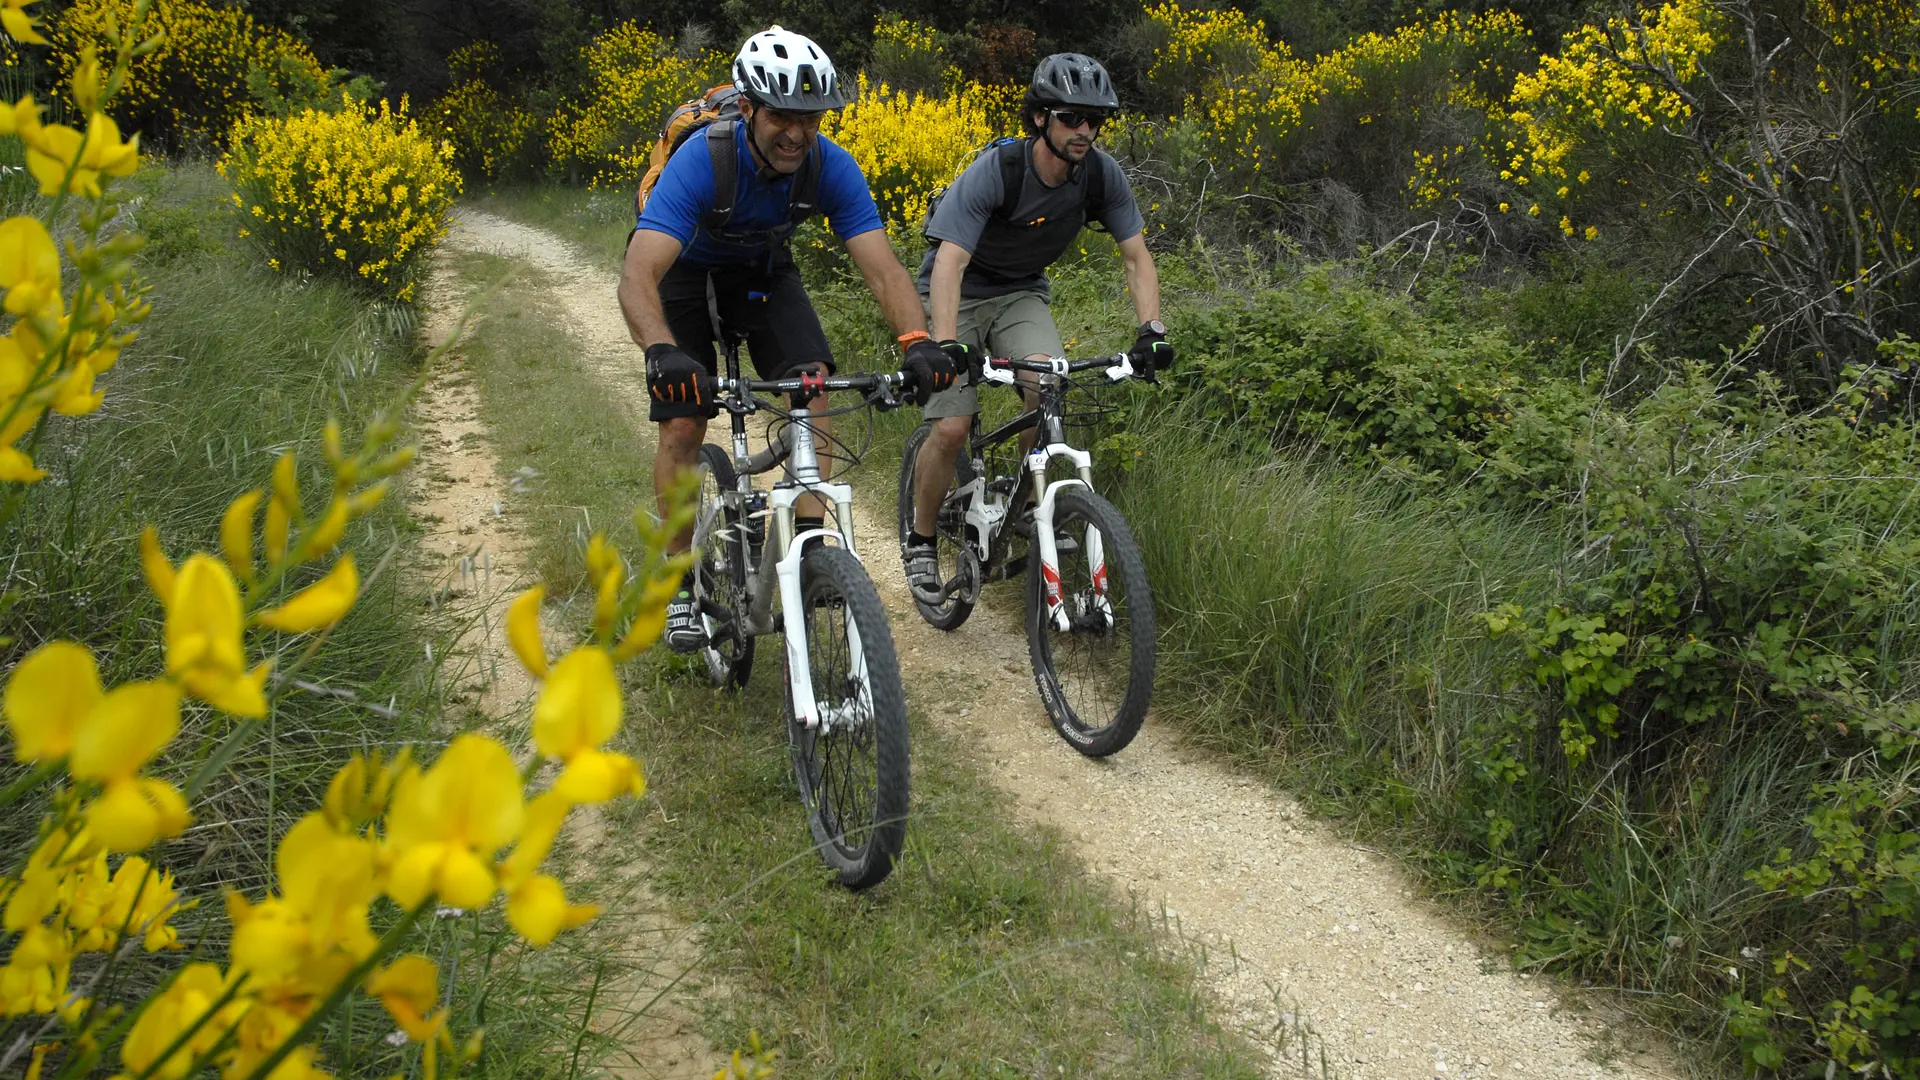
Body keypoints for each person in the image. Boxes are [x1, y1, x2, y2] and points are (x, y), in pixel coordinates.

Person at [619, 26, 956, 651]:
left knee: (812, 384)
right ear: (748, 108)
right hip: (684, 271)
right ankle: (678, 577)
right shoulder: (704, 160)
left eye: (810, 118)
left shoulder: (829, 166)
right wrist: (660, 352)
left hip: (762, 270)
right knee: (685, 420)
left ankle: (808, 550)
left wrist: (918, 340)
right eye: (781, 116)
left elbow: (884, 270)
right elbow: (638, 274)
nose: (797, 133)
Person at [903, 52, 1172, 597]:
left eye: (1094, 120)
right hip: (957, 290)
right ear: (1039, 118)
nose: (1084, 130)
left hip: (1020, 291)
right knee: (951, 427)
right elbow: (950, 262)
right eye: (1071, 118)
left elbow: (1137, 257)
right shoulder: (999, 171)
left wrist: (1152, 331)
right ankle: (922, 540)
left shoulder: (1099, 176)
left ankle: (1028, 504)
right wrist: (947, 343)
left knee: (1047, 386)